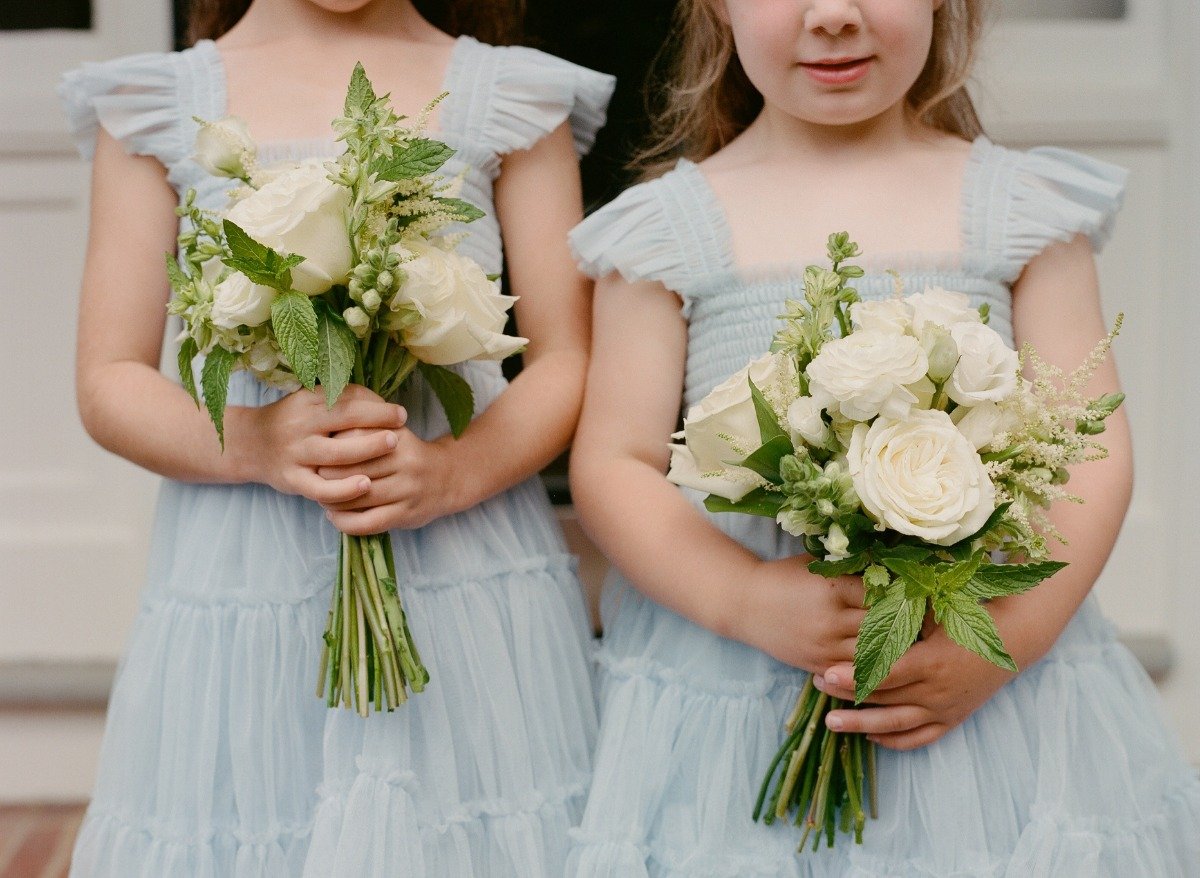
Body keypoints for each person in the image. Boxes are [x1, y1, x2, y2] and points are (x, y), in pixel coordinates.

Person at [565, 1, 1200, 874]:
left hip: (982, 676)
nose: (834, 15)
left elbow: (1091, 450)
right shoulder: (669, 230)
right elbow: (614, 463)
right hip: (739, 687)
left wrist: (1000, 649)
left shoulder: (1018, 209)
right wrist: (750, 600)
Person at [58, 1, 613, 874]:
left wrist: (454, 472)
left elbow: (568, 357)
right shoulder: (158, 103)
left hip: (462, 554)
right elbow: (110, 382)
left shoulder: (509, 97)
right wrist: (258, 444)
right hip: (247, 560)